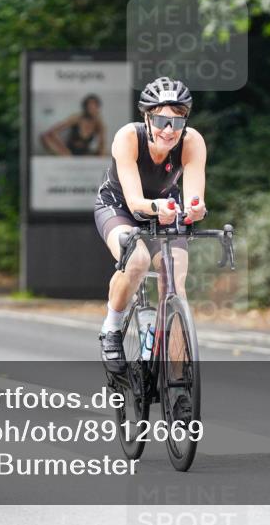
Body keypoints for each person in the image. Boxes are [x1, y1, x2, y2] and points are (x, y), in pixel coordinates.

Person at [93, 77, 207, 372]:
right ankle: (112, 328)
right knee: (138, 260)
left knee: (175, 284)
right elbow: (134, 202)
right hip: (119, 208)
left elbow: (194, 197)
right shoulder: (128, 137)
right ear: (146, 117)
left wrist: (194, 209)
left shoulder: (192, 142)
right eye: (160, 120)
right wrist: (159, 208)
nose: (169, 131)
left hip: (166, 210)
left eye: (177, 122)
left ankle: (179, 384)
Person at [41, 93, 106, 156]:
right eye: (90, 107)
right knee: (44, 137)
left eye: (94, 107)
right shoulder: (76, 118)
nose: (92, 110)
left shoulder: (99, 124)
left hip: (84, 155)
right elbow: (51, 132)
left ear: (97, 108)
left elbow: (102, 146)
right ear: (85, 108)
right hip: (68, 153)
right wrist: (64, 150)